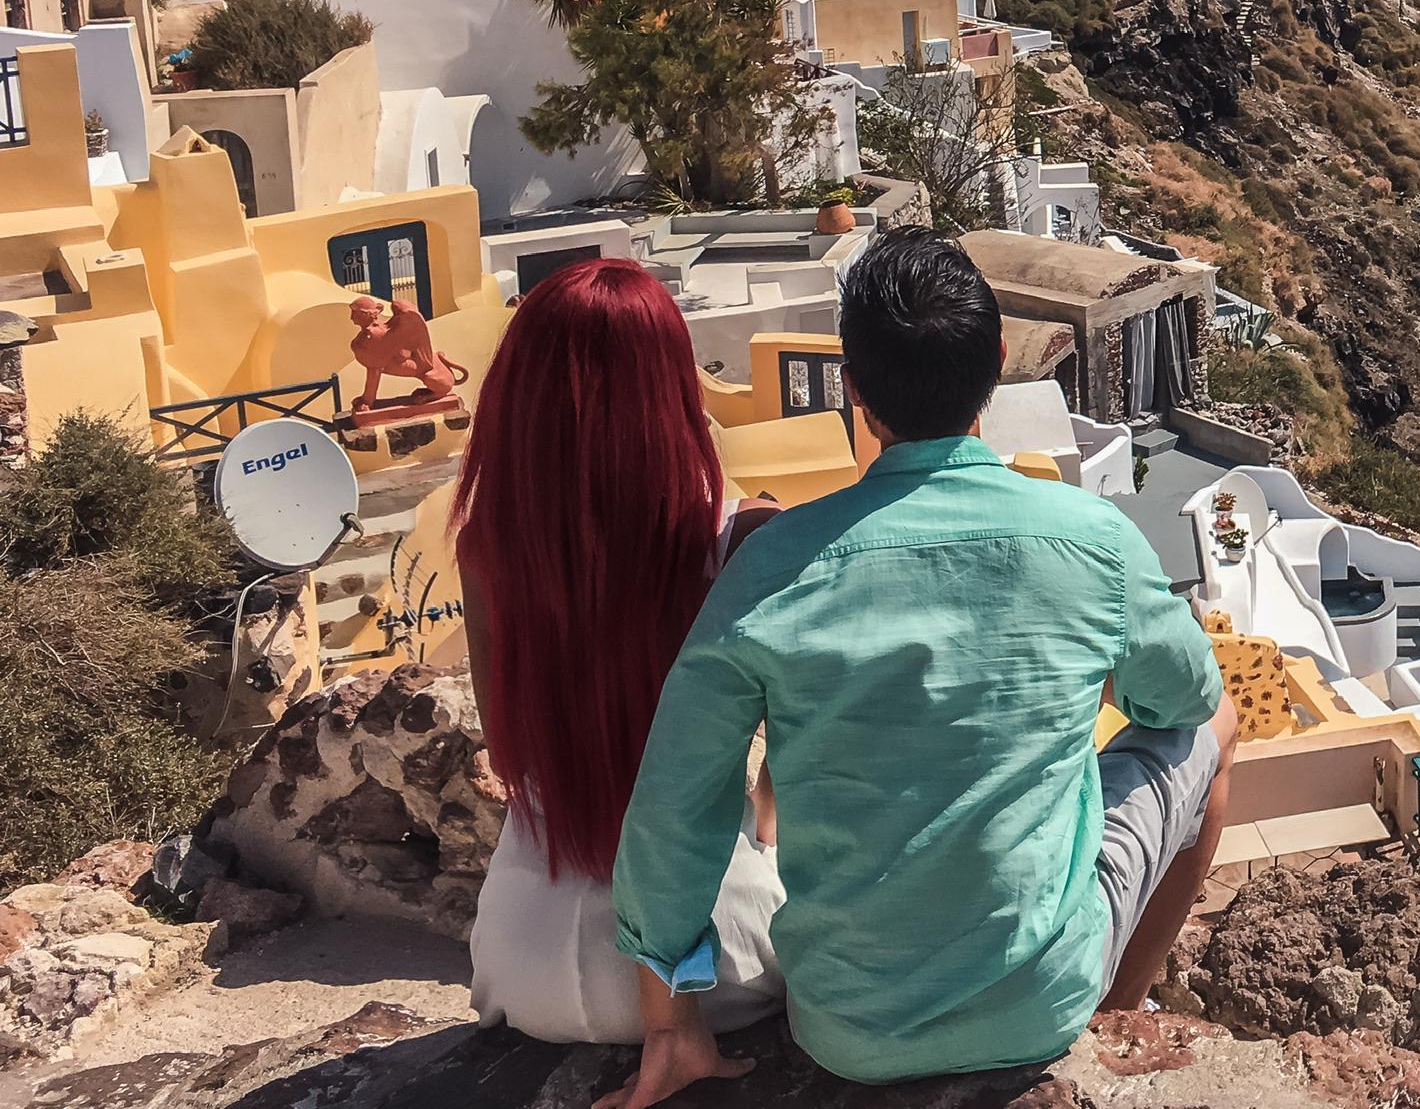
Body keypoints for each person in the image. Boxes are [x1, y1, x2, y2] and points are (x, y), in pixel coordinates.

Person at [603, 227, 1235, 1100]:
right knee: (1218, 727)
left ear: (855, 392)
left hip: (844, 1031)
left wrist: (670, 1023)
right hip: (1035, 1013)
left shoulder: (771, 565)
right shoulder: (1090, 538)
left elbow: (675, 808)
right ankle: (1106, 1011)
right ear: (998, 369)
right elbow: (1185, 698)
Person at [454, 258, 783, 1044]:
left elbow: (508, 751)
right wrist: (765, 835)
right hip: (714, 966)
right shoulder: (746, 541)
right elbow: (803, 750)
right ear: (671, 392)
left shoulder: (485, 547)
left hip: (524, 967)